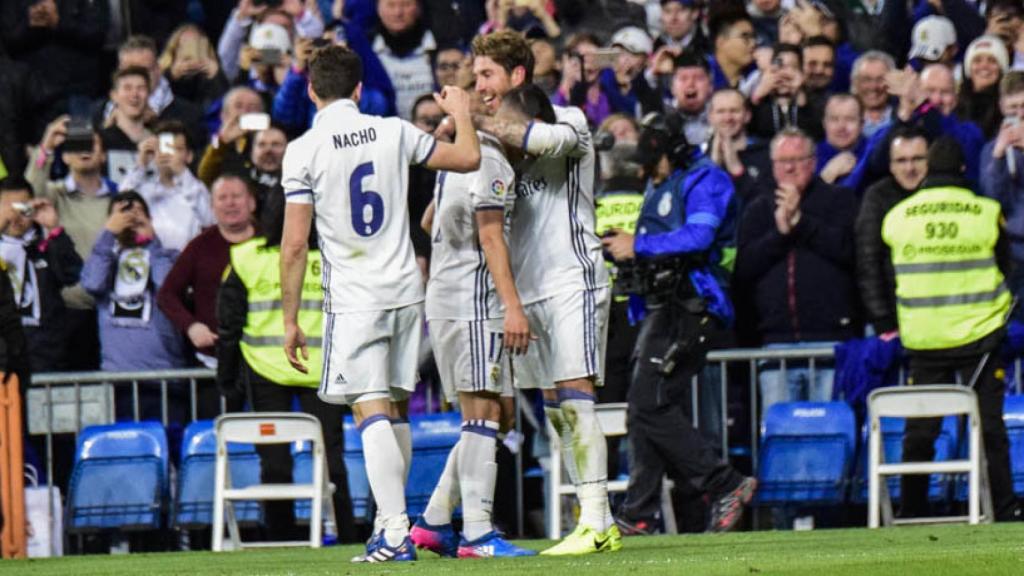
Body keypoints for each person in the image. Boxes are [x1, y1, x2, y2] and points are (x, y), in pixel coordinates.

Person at [279, 44, 481, 563]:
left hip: (355, 298)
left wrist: (290, 321)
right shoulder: (393, 130)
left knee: (368, 411)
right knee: (394, 409)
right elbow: (467, 158)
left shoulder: (303, 149)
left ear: (310, 89)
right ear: (359, 89)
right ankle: (387, 524)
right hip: (405, 289)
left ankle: (394, 531)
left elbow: (295, 244)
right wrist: (459, 113)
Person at [471, 29, 618, 556]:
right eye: (475, 75)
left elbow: (547, 141)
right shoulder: (490, 142)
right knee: (556, 409)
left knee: (576, 396)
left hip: (573, 278)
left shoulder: (570, 119)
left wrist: (476, 117)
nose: (478, 85)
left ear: (517, 76)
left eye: (487, 75)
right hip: (528, 291)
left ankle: (598, 521)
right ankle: (593, 518)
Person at [600, 111, 757, 535]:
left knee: (648, 402)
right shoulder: (661, 185)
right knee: (642, 405)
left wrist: (638, 244)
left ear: (670, 153)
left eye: (652, 164)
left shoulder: (708, 181)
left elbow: (699, 237)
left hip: (694, 304)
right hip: (662, 306)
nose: (647, 173)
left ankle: (726, 483)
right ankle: (639, 511)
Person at [410, 88, 536, 560]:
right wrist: (512, 306)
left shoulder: (456, 161)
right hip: (473, 301)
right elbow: (489, 234)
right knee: (485, 414)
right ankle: (479, 533)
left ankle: (435, 520)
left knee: (487, 415)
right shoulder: (490, 159)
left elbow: (428, 221)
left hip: (445, 299)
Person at [881, 137, 1020, 522]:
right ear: (963, 170)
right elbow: (1007, 269)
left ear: (927, 169)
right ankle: (1005, 510)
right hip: (981, 337)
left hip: (925, 340)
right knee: (991, 429)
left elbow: (886, 272)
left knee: (920, 433)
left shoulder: (898, 216)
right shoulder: (985, 212)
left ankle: (912, 509)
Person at [217, 188, 357, 544]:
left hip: (265, 371)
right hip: (322, 370)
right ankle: (348, 537)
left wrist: (227, 379)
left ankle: (277, 537)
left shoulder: (246, 257)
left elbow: (228, 325)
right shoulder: (334, 257)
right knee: (331, 459)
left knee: (275, 463)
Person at [735, 128, 860, 412]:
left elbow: (847, 252)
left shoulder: (839, 201)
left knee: (830, 432)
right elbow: (744, 268)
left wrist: (801, 223)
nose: (790, 168)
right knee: (781, 437)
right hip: (775, 345)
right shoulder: (758, 209)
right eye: (782, 161)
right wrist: (780, 234)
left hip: (830, 343)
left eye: (798, 159)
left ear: (813, 162)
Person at [80, 191, 185, 421]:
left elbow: (168, 289)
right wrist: (108, 235)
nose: (131, 218)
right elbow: (92, 283)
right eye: (123, 213)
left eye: (138, 212)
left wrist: (152, 243)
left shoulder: (167, 255)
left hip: (165, 379)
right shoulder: (104, 258)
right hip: (118, 381)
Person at [157, 175, 257, 418]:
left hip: (266, 364)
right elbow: (167, 294)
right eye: (222, 198)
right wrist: (190, 326)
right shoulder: (200, 246)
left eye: (236, 196)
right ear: (212, 207)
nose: (230, 203)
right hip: (214, 366)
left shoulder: (271, 242)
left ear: (252, 202)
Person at [0, 177, 82, 373]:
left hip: (44, 357)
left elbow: (72, 274)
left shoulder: (45, 245)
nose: (16, 216)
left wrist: (53, 228)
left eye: (22, 208)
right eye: (8, 207)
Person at [856, 128, 930, 337]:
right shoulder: (876, 197)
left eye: (917, 159)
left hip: (938, 318)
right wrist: (883, 321)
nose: (910, 168)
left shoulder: (941, 194)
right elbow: (868, 262)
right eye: (901, 161)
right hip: (892, 322)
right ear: (891, 166)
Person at [119, 121, 214, 252]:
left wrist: (181, 172)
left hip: (186, 264)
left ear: (189, 156)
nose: (169, 154)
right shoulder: (143, 189)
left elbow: (209, 220)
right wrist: (141, 164)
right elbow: (120, 205)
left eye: (178, 149)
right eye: (163, 148)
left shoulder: (197, 189)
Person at [981, 71, 1024, 303]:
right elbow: (993, 200)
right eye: (1013, 107)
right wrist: (999, 155)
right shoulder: (991, 151)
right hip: (1012, 258)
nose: (1020, 114)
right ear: (1001, 107)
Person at [850, 51, 896, 138]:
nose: (873, 86)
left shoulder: (903, 116)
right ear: (855, 83)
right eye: (866, 79)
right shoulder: (844, 120)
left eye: (880, 79)